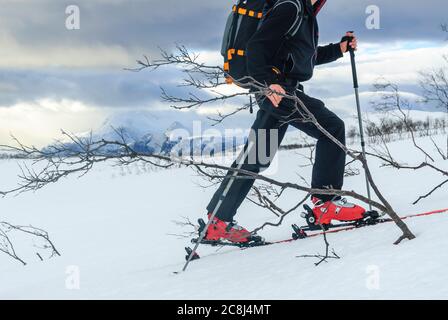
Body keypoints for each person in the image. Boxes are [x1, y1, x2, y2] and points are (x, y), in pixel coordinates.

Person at [205, 0, 366, 243]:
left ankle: (218, 221)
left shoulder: (304, 14)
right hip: (279, 92)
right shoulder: (291, 7)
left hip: (276, 92)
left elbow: (304, 56)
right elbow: (256, 47)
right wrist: (269, 82)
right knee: (331, 128)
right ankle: (325, 203)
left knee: (257, 156)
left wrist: (339, 49)